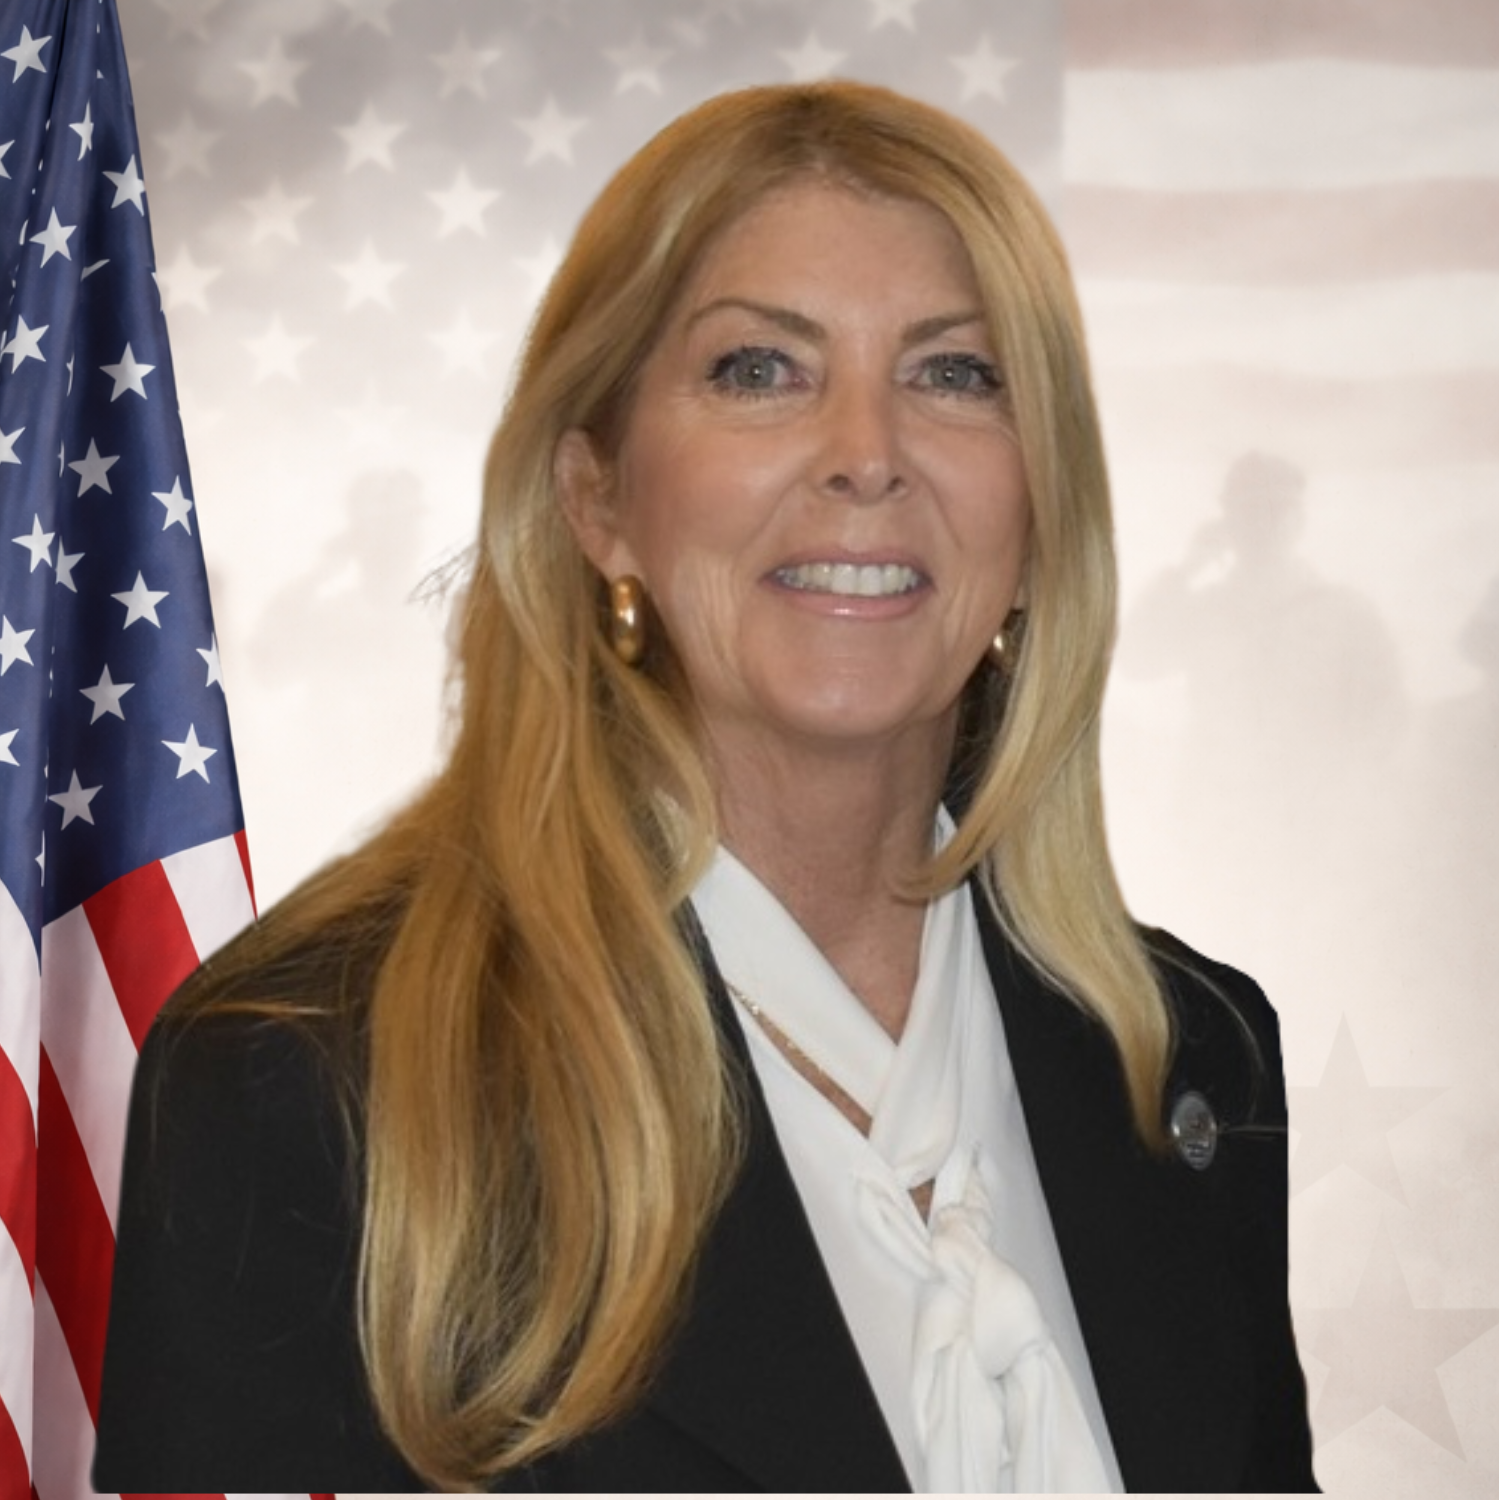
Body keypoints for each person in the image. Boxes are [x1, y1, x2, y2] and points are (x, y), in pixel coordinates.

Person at [93, 82, 1317, 1493]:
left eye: (956, 374)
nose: (868, 451)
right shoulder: (311, 1076)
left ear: (1041, 517)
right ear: (596, 497)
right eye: (759, 371)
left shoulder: (1186, 1061)